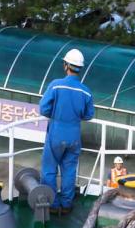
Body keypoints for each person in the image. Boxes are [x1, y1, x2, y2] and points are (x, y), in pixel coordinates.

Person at [38, 48, 95, 215]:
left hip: (56, 133)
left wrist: (56, 114)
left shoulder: (56, 85)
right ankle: (67, 204)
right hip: (74, 137)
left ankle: (53, 205)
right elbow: (89, 115)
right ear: (80, 68)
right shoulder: (86, 91)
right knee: (69, 171)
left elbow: (43, 109)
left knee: (49, 169)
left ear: (66, 66)